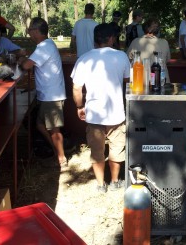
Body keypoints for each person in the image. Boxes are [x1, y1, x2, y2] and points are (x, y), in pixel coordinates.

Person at [71, 23, 130, 193]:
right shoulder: (121, 56)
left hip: (94, 112)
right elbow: (128, 81)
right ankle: (114, 181)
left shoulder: (84, 58)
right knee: (117, 147)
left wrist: (79, 106)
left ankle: (100, 184)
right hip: (116, 112)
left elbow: (76, 88)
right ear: (111, 38)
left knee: (96, 149)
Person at [18, 17, 68, 169]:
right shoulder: (46, 44)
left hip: (51, 95)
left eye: (30, 30)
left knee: (53, 128)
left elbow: (26, 65)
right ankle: (57, 150)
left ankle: (61, 158)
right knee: (40, 124)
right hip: (49, 93)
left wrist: (20, 58)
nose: (29, 34)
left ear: (36, 31)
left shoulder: (44, 47)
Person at [126, 18, 171, 83]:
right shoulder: (164, 42)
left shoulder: (135, 42)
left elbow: (128, 60)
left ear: (144, 28)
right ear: (158, 30)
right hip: (161, 81)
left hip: (141, 82)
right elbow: (167, 60)